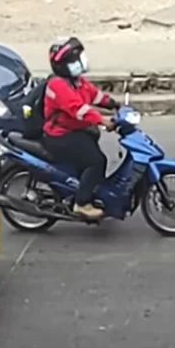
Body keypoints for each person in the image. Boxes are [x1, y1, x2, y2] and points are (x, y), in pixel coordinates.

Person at [42, 37, 119, 220]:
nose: (82, 61)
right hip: (59, 135)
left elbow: (93, 94)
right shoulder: (58, 85)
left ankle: (86, 185)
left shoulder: (76, 81)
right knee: (97, 160)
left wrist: (112, 103)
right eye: (76, 59)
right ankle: (82, 203)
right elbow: (78, 109)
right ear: (65, 65)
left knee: (92, 140)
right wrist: (103, 121)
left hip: (72, 130)